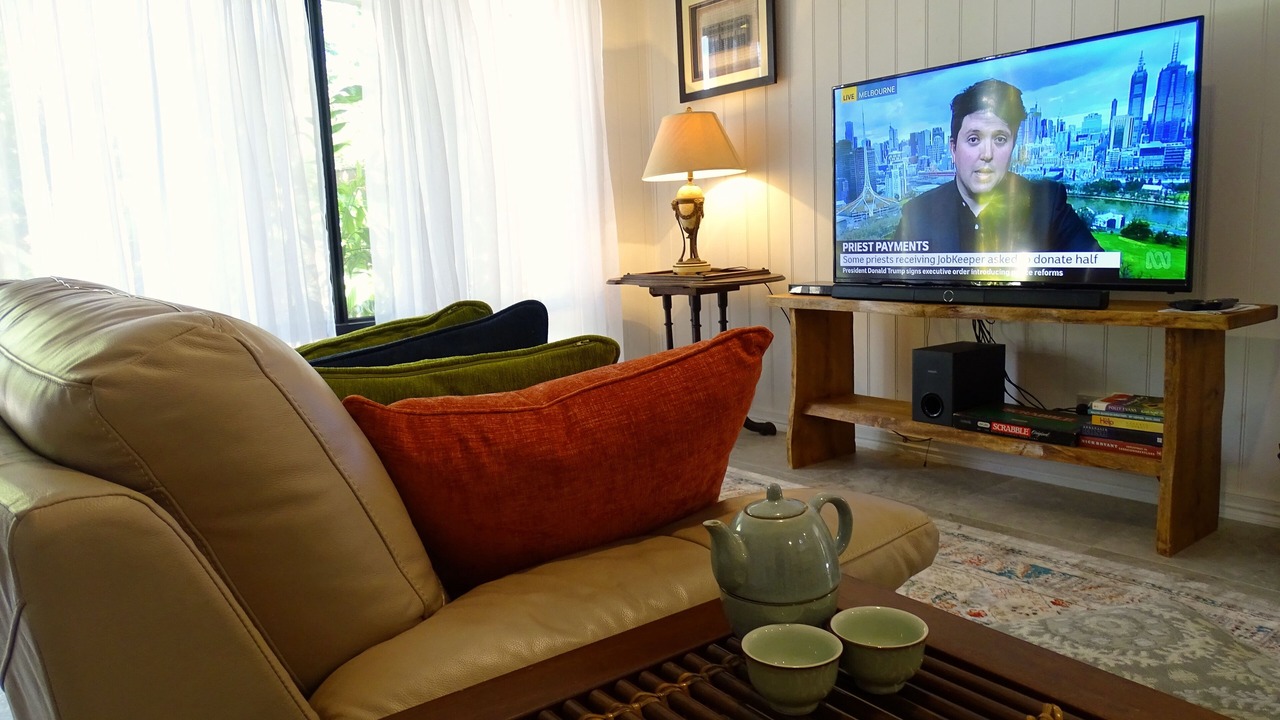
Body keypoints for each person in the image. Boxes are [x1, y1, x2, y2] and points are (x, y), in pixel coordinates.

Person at [893, 79, 1102, 255]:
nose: (987, 154)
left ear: (1013, 147)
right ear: (953, 149)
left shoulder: (1047, 204)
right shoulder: (918, 214)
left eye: (1000, 139)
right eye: (974, 139)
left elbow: (1097, 273)